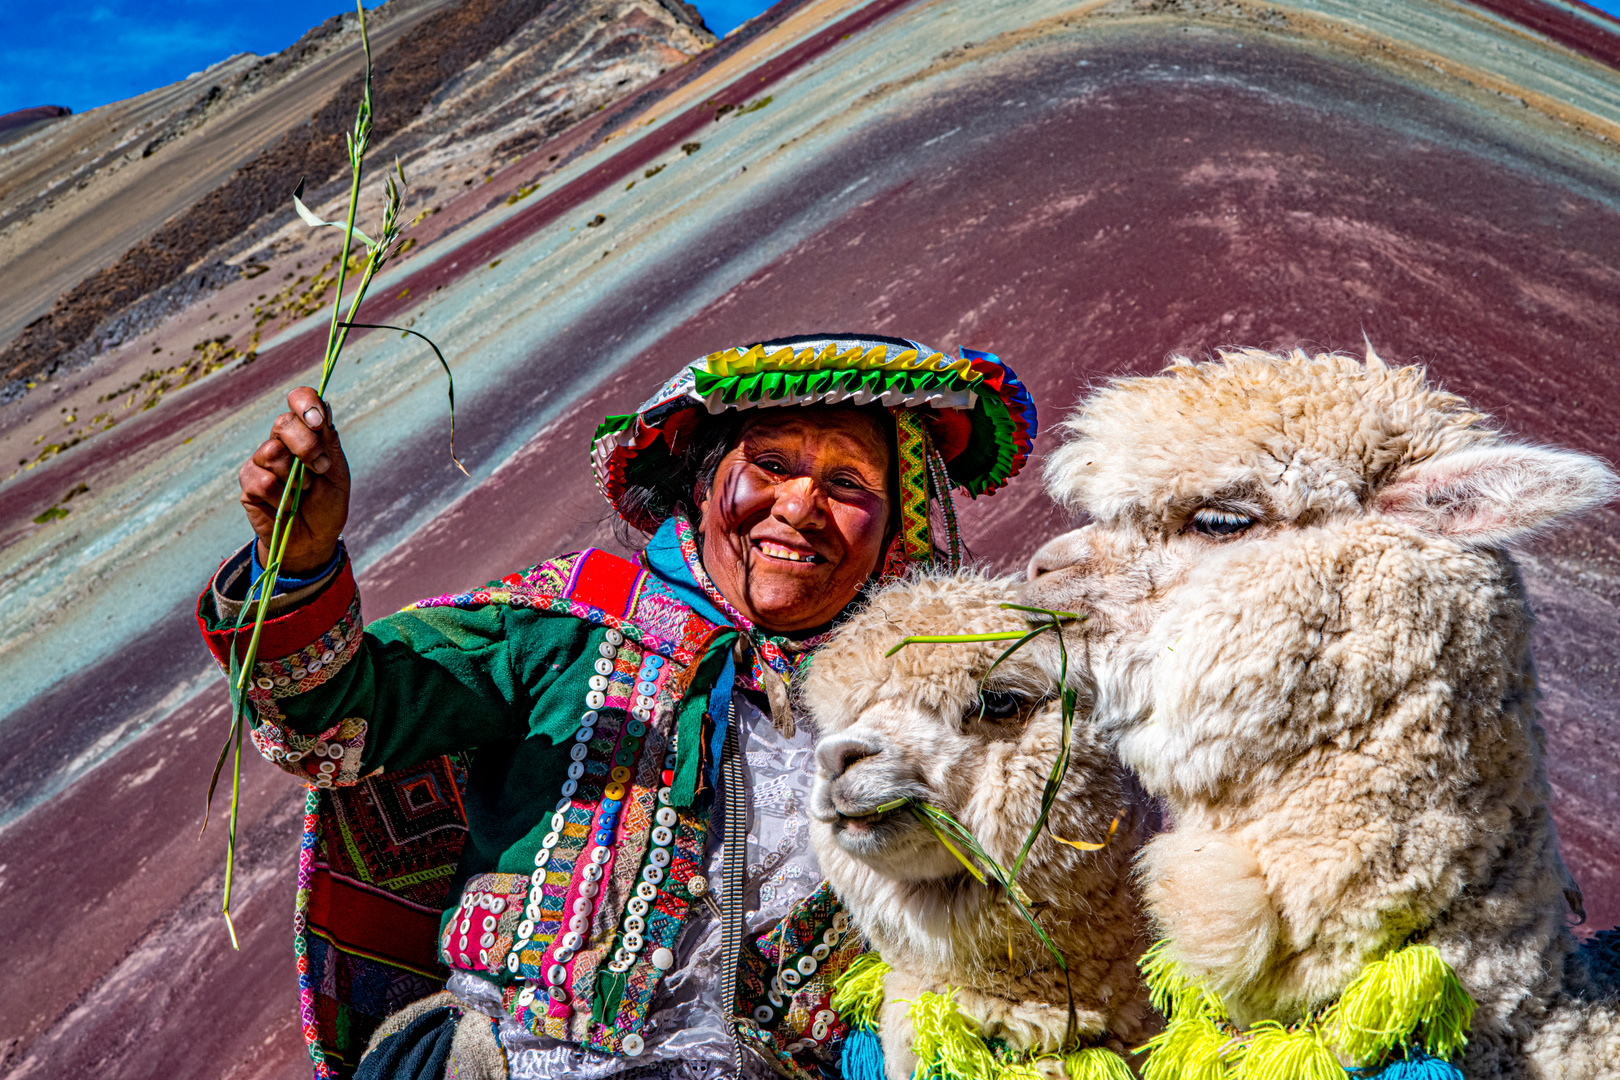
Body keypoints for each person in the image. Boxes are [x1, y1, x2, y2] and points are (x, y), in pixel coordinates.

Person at [196, 333, 1037, 1080]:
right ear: (705, 485)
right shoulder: (567, 626)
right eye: (772, 465)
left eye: (848, 482)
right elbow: (334, 718)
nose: (800, 505)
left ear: (893, 528)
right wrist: (296, 567)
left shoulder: (925, 700)